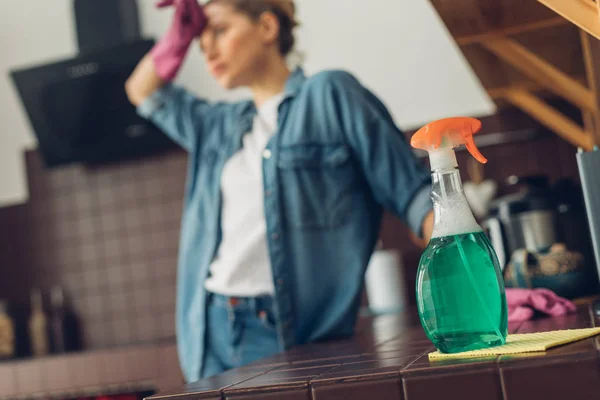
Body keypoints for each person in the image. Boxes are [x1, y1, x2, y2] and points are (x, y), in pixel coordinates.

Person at [126, 0, 434, 382]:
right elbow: (141, 90)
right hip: (209, 334)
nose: (207, 48)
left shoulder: (331, 95)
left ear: (267, 28)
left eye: (219, 31)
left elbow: (415, 195)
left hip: (293, 336)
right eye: (201, 41)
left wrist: (482, 281)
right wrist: (179, 35)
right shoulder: (218, 126)